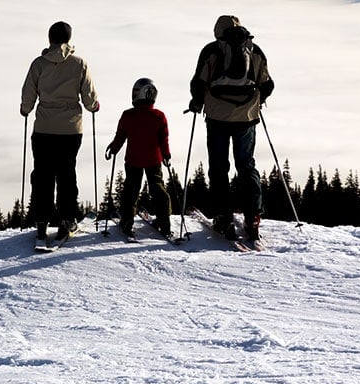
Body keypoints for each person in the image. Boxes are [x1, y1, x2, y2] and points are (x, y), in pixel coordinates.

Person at [188, 15, 274, 242]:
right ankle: (253, 216)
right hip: (246, 117)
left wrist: (197, 102)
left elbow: (198, 82)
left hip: (217, 117)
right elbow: (267, 84)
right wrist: (257, 100)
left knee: (219, 167)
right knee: (246, 165)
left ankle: (223, 217)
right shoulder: (254, 50)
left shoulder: (212, 50)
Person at [20, 21, 99, 241]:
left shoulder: (39, 64)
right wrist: (94, 107)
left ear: (50, 38)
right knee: (66, 173)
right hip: (70, 130)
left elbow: (28, 94)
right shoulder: (79, 63)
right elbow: (89, 97)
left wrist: (25, 109)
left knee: (43, 174)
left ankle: (42, 220)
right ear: (69, 39)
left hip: (44, 128)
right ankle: (66, 219)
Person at [105, 78, 173, 237]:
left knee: (131, 190)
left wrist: (113, 149)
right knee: (157, 188)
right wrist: (166, 154)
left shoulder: (128, 115)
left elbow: (120, 136)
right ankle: (165, 222)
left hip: (133, 159)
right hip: (154, 159)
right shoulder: (159, 116)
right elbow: (164, 139)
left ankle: (127, 221)